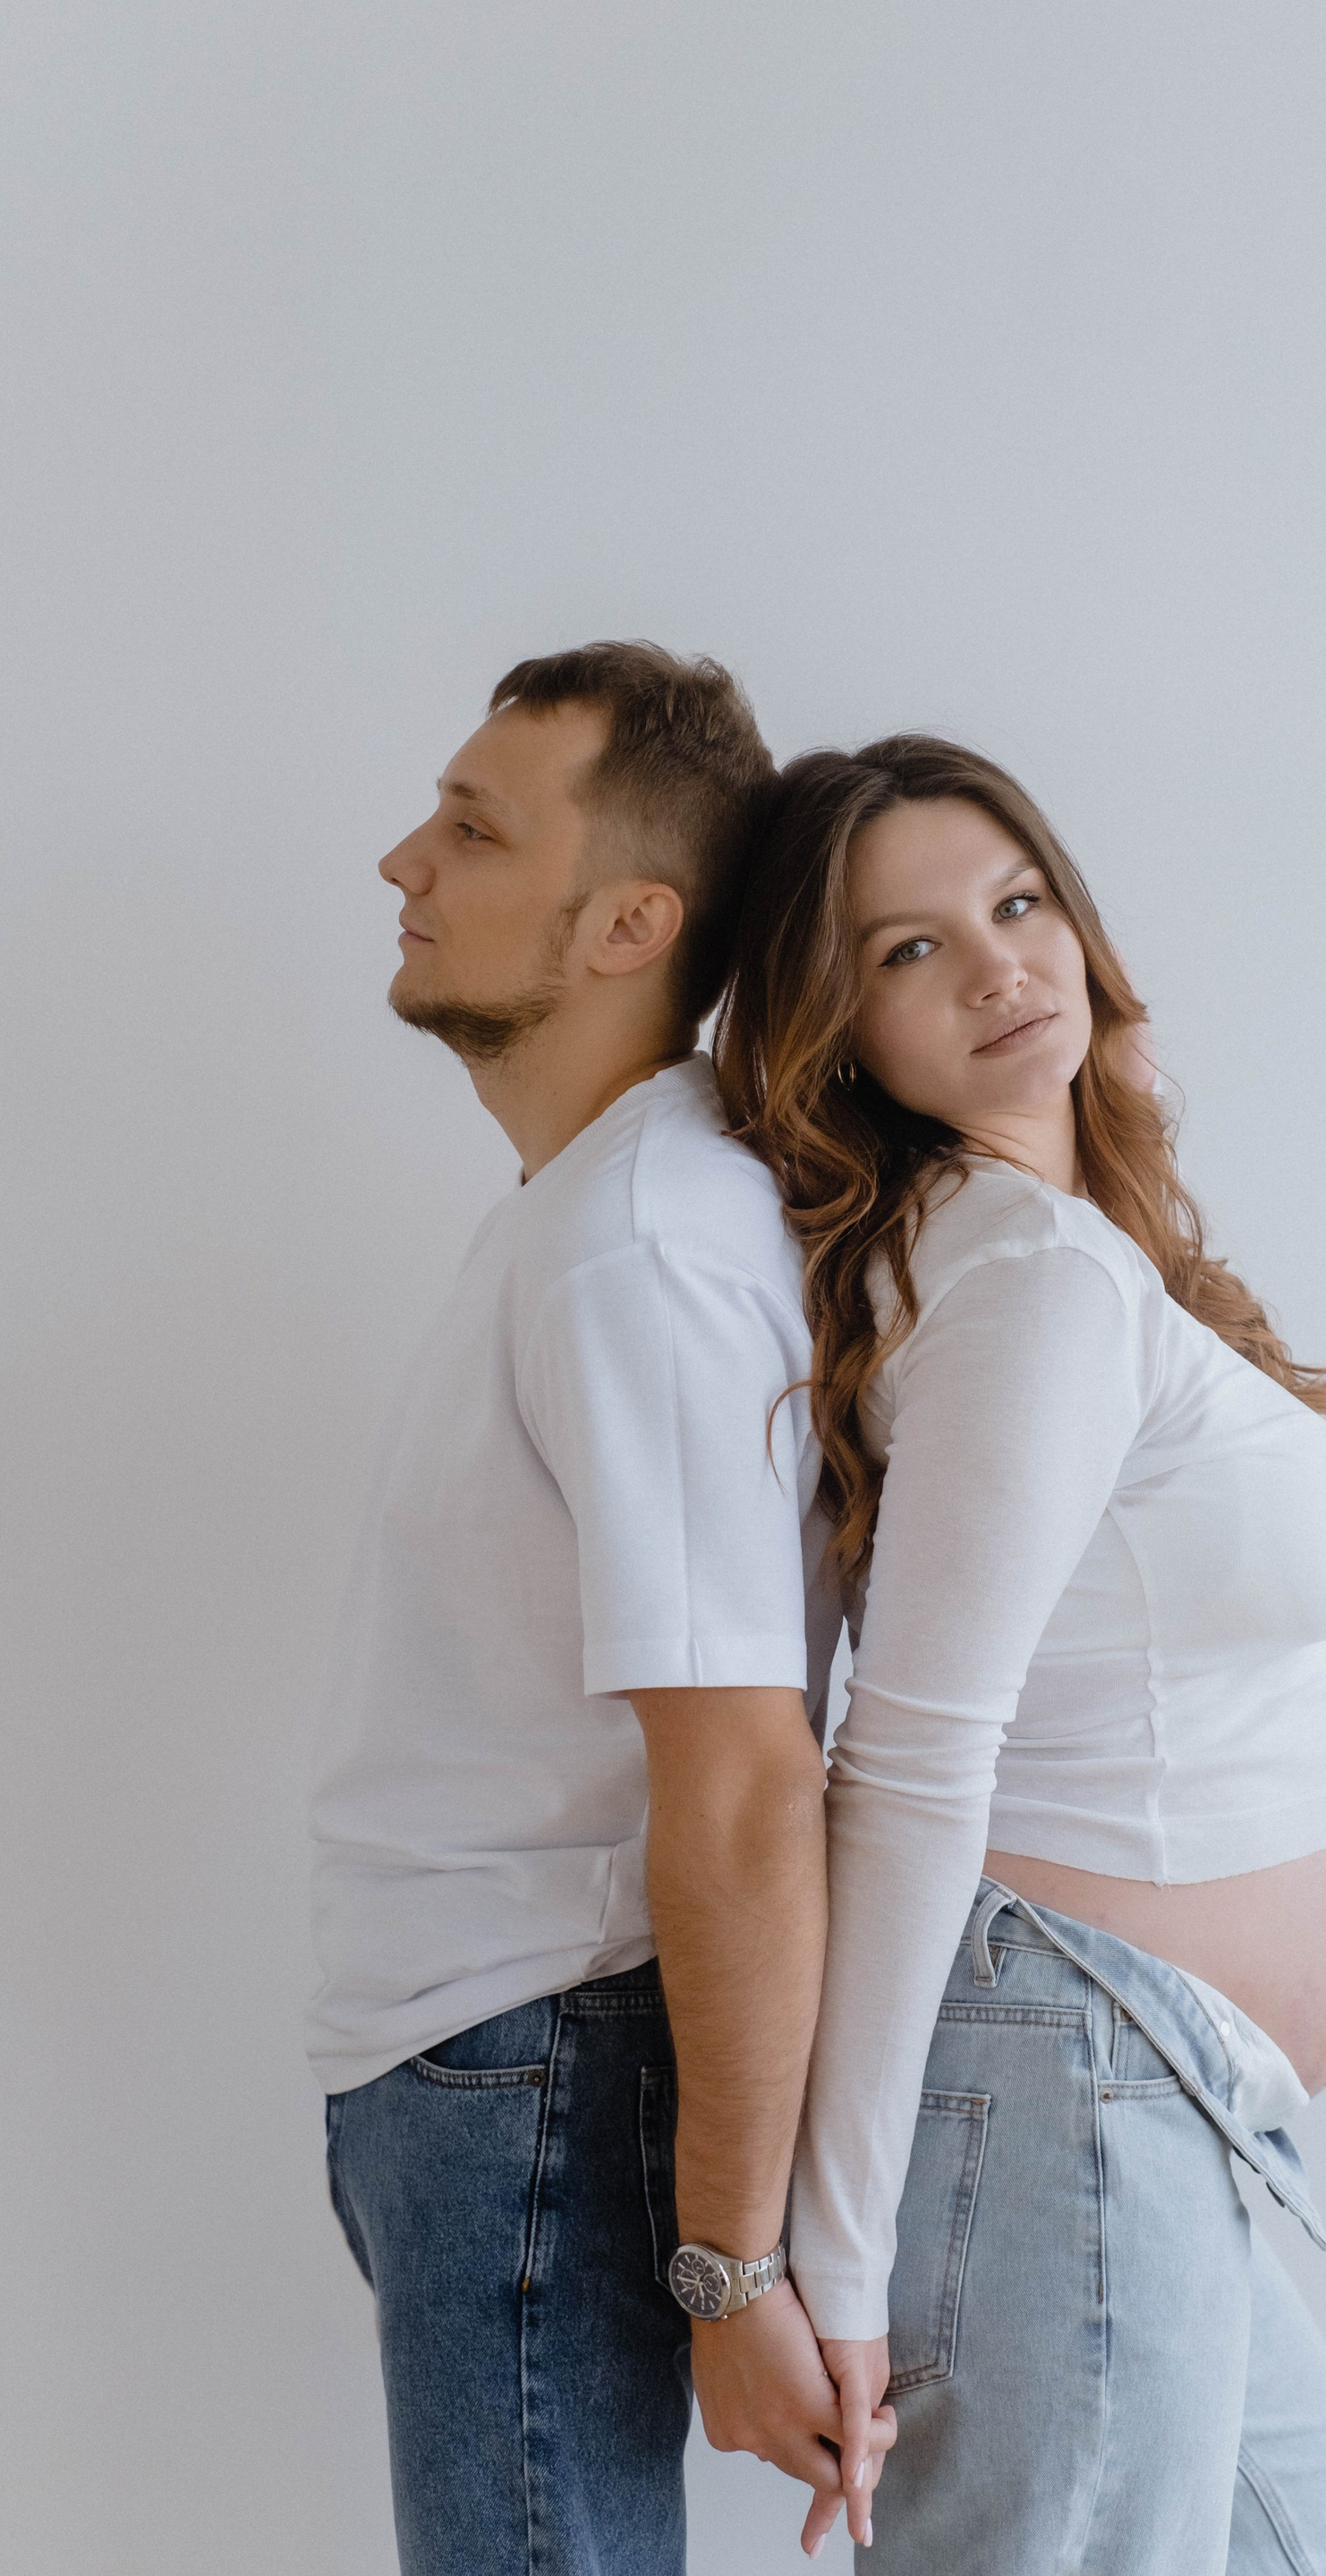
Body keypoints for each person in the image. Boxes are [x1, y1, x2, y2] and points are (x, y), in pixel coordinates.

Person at [716, 736, 1326, 2573]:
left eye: (1019, 905)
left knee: (1302, 2529)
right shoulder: (1031, 1280)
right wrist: (830, 2257)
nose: (1000, 967)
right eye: (909, 950)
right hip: (1061, 2078)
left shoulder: (1046, 1252)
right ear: (836, 1028)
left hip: (1134, 2087)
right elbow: (906, 1763)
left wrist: (1118, 1113)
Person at [307, 643, 889, 2576]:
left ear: (633, 922)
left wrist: (732, 2267)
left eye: (474, 830)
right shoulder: (590, 1215)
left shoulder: (642, 1246)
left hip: (534, 2068)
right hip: (483, 2068)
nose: (405, 859)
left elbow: (745, 1779)